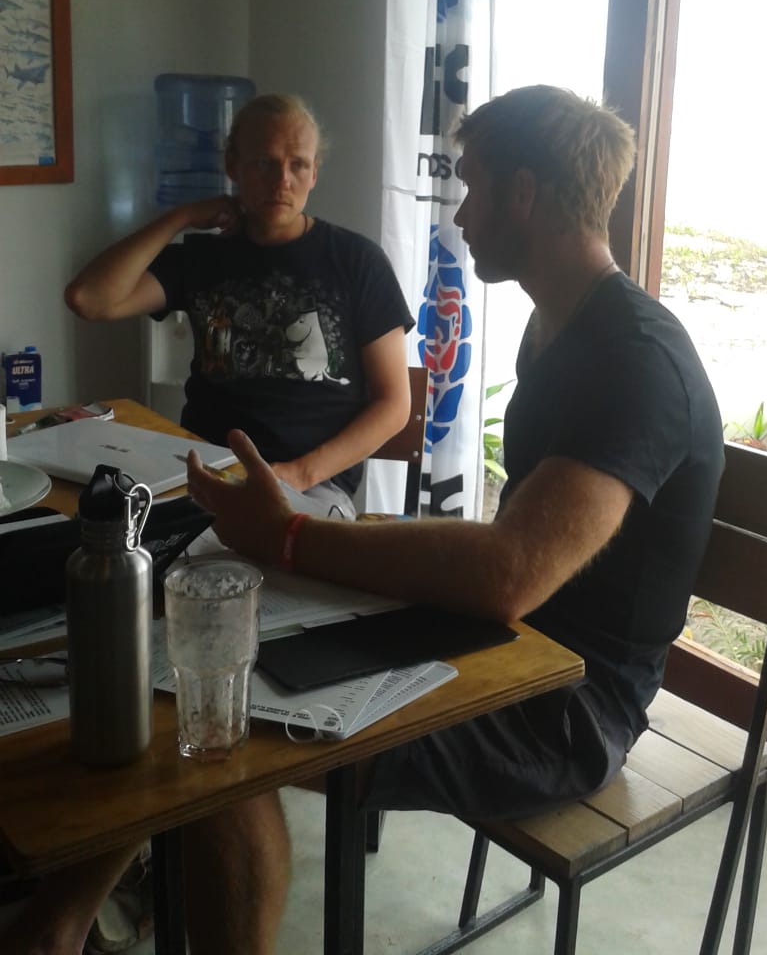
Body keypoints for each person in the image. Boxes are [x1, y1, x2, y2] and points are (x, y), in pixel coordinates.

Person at [7, 85, 722, 955]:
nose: (461, 214)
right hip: (488, 638)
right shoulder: (563, 328)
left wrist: (292, 534)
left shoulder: (635, 360)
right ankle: (59, 921)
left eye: (473, 186)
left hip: (565, 708)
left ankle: (61, 923)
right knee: (202, 675)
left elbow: (510, 573)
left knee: (222, 731)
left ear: (524, 195)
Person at [64, 92, 414, 517]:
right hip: (202, 476)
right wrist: (181, 217)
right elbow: (89, 299)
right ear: (233, 166)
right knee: (108, 538)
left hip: (312, 486)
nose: (282, 180)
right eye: (264, 163)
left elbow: (394, 404)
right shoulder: (203, 258)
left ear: (314, 173)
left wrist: (298, 474)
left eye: (298, 165)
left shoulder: (357, 262)